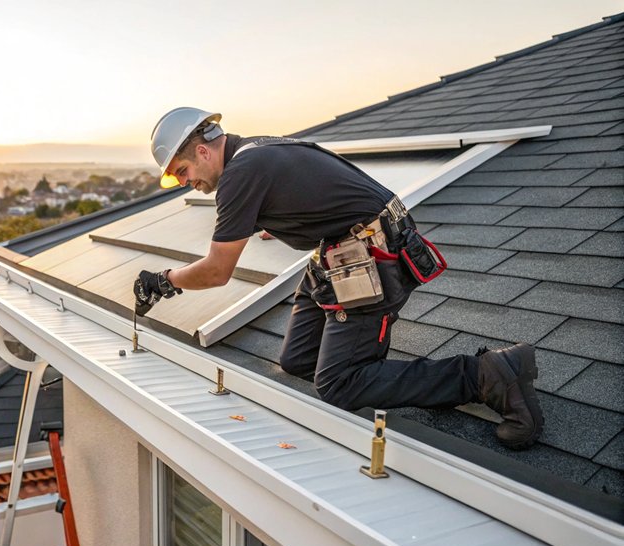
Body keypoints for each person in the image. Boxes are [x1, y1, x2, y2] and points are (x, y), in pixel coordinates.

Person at [134, 107, 544, 450]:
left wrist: (164, 279)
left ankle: (487, 374)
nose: (188, 183)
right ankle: (363, 362)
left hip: (371, 258)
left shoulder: (241, 173)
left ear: (203, 151)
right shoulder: (256, 151)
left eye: (183, 171)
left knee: (338, 385)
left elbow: (218, 271)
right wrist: (281, 218)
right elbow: (311, 190)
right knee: (297, 360)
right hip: (341, 250)